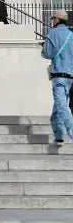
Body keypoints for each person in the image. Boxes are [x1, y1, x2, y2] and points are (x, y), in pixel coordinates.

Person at [41, 9, 73, 146]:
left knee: (61, 106)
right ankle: (59, 135)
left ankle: (71, 132)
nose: (52, 21)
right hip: (70, 77)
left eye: (52, 18)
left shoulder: (53, 33)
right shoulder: (71, 35)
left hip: (59, 75)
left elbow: (46, 53)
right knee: (58, 106)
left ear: (57, 20)